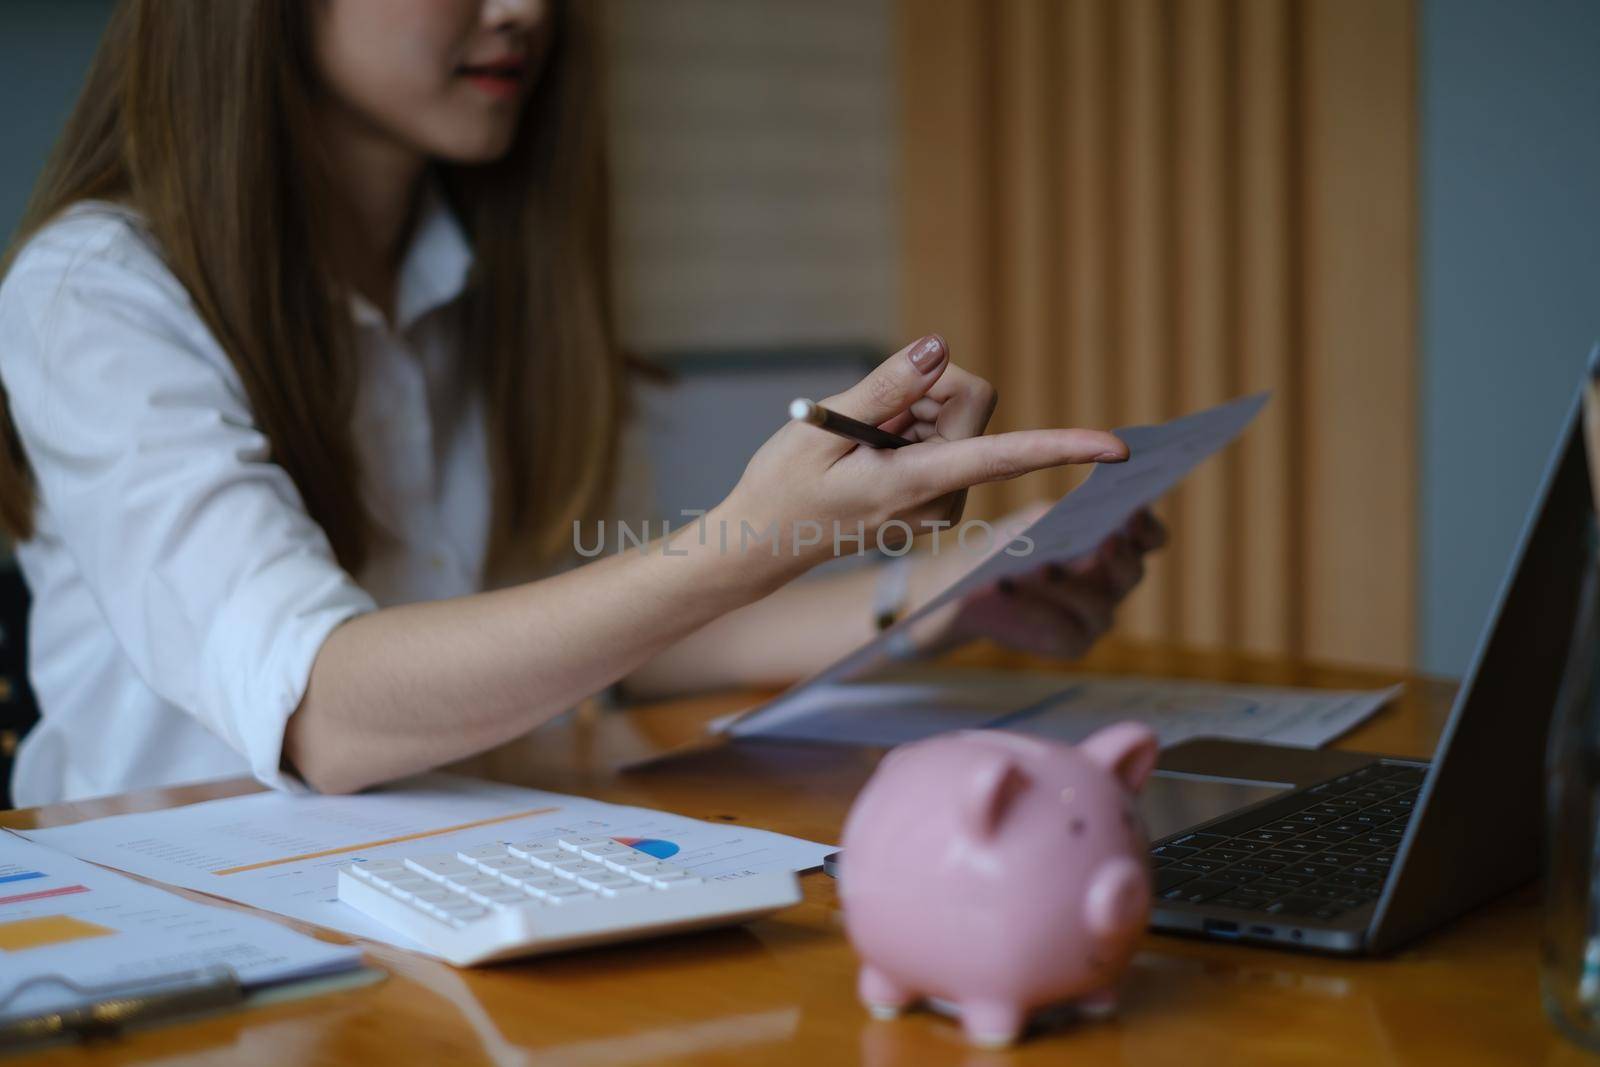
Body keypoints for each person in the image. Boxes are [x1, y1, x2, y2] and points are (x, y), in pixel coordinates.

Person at [0, 0, 1163, 807]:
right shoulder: (93, 291)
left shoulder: (477, 280)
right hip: (171, 894)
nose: (522, 11)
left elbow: (603, 650)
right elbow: (322, 710)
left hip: (437, 854)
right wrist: (749, 537)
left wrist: (933, 595)